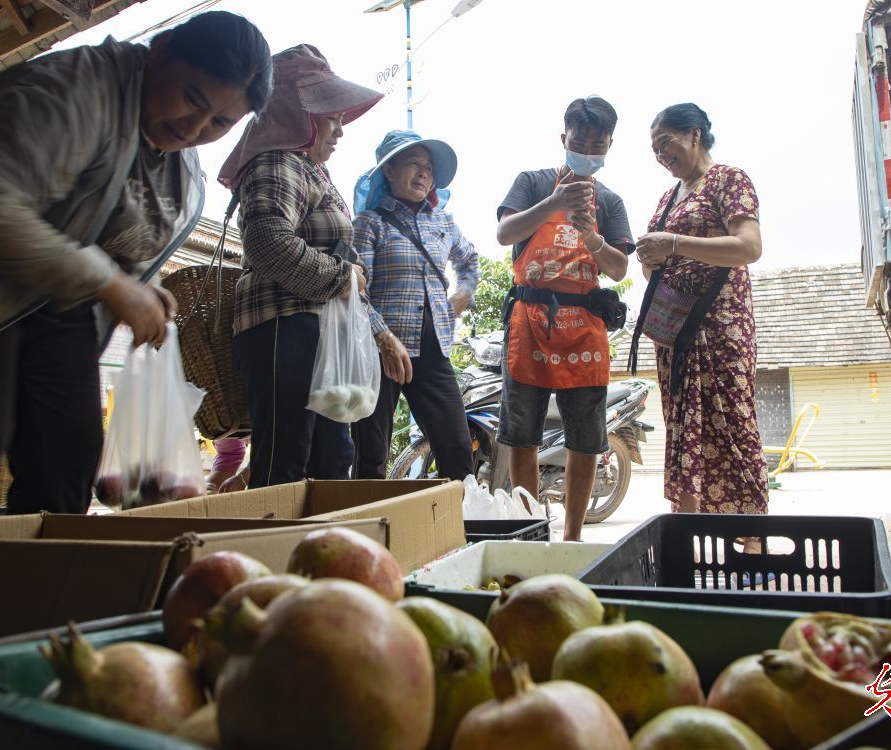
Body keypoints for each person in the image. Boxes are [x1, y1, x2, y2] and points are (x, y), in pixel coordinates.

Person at [0, 12, 273, 518]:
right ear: (163, 49)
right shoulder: (67, 90)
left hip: (60, 310)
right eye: (193, 98)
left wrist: (137, 286)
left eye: (220, 123)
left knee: (68, 459)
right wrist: (109, 282)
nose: (194, 128)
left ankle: (37, 587)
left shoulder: (180, 165)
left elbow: (120, 243)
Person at [218, 45, 382, 489]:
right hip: (282, 329)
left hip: (316, 333)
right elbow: (268, 243)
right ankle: (275, 553)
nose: (340, 130)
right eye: (331, 117)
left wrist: (376, 327)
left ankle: (320, 554)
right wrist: (341, 278)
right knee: (287, 464)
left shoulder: (312, 172)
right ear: (298, 114)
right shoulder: (277, 161)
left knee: (330, 461)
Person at [496, 96, 632, 542]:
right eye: (580, 141)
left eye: (598, 144)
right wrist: (552, 205)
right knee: (522, 437)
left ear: (610, 145)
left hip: (585, 331)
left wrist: (591, 236)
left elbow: (618, 269)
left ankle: (572, 538)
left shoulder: (610, 202)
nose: (588, 150)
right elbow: (504, 233)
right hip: (529, 322)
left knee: (586, 440)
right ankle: (531, 532)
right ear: (564, 139)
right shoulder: (532, 183)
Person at [635, 103, 768, 517]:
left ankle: (751, 543)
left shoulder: (728, 180)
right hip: (676, 334)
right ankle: (686, 534)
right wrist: (651, 257)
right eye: (654, 150)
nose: (661, 156)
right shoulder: (668, 197)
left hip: (720, 327)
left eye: (666, 144)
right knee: (683, 429)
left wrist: (673, 243)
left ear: (694, 134)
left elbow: (749, 247)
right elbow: (652, 269)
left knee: (731, 424)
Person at [351, 130, 480, 480]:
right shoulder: (370, 223)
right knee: (370, 458)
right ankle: (372, 531)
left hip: (433, 346)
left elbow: (469, 260)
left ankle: (458, 531)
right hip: (380, 350)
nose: (424, 173)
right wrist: (383, 337)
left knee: (457, 450)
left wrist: (464, 291)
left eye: (428, 167)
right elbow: (355, 291)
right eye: (413, 163)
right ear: (389, 171)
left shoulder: (443, 222)